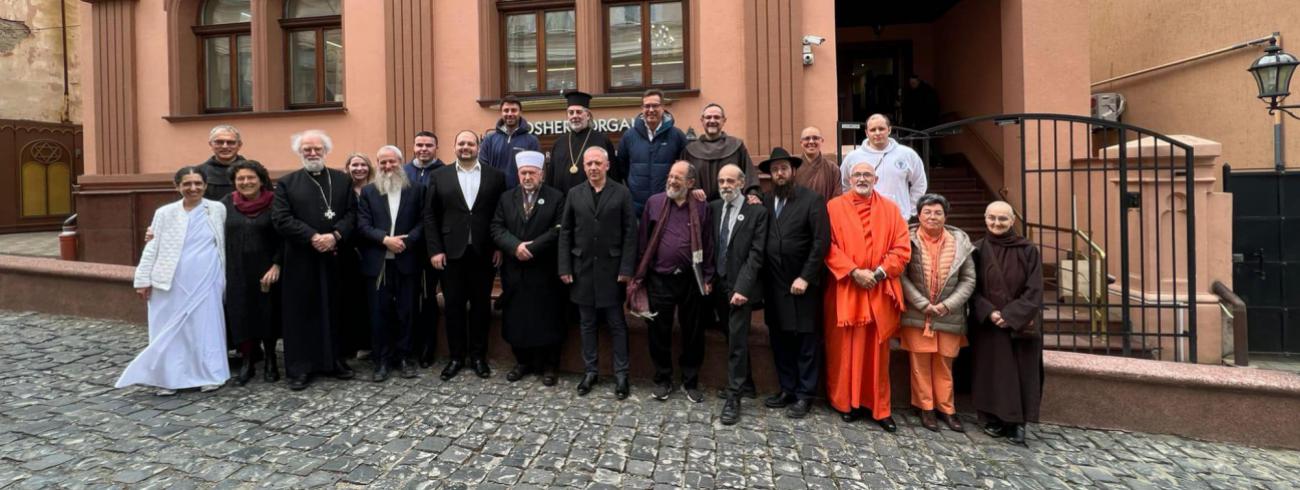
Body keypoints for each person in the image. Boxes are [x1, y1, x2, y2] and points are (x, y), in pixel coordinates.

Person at [118, 167, 228, 395]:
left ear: (205, 185)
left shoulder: (217, 209)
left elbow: (225, 239)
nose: (193, 188)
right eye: (187, 184)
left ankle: (209, 374)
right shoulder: (164, 213)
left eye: (198, 183)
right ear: (177, 187)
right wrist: (142, 279)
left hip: (207, 277)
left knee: (206, 327)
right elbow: (153, 246)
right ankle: (168, 378)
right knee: (167, 329)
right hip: (169, 280)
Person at [824, 160, 912, 433]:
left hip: (878, 290)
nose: (862, 178)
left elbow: (902, 247)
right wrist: (852, 271)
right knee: (845, 350)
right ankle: (845, 403)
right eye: (857, 175)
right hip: (846, 289)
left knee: (877, 355)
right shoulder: (833, 207)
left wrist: (881, 272)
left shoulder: (891, 208)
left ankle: (878, 407)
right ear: (849, 179)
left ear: (875, 179)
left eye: (867, 175)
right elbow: (826, 245)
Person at [272, 129, 358, 391]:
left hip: (335, 256)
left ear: (325, 151)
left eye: (317, 149)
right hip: (301, 259)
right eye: (306, 149)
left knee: (335, 307)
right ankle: (300, 368)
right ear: (300, 152)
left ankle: (335, 361)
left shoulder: (342, 180)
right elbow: (281, 218)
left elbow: (353, 214)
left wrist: (335, 235)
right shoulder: (287, 183)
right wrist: (312, 237)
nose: (312, 153)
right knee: (302, 312)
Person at [424, 130, 507, 381]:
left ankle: (479, 357)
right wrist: (435, 249)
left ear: (478, 147)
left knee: (481, 306)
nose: (465, 147)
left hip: (484, 252)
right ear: (454, 146)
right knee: (453, 307)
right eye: (461, 143)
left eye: (470, 143)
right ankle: (456, 357)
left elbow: (501, 215)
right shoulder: (439, 176)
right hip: (451, 254)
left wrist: (500, 246)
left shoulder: (496, 176)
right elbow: (430, 215)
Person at [559, 146, 636, 400]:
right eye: (589, 163)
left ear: (607, 165)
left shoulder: (622, 192)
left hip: (612, 271)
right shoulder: (574, 193)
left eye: (597, 163)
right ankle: (590, 371)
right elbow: (566, 232)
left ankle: (621, 374)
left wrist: (627, 268)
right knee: (587, 324)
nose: (593, 168)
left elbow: (630, 234)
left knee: (616, 324)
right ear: (583, 167)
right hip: (582, 270)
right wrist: (565, 267)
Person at [760, 147, 829, 419]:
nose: (779, 173)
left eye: (784, 168)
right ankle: (787, 388)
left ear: (793, 171)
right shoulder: (765, 201)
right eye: (775, 169)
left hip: (802, 284)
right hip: (774, 285)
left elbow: (820, 242)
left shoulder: (812, 200)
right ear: (770, 174)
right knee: (780, 340)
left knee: (805, 342)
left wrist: (806, 277)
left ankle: (805, 394)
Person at [637, 161, 714, 403]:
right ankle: (662, 379)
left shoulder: (701, 206)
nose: (671, 181)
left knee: (693, 332)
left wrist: (709, 276)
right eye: (670, 176)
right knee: (658, 331)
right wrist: (641, 275)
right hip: (660, 279)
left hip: (692, 279)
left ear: (691, 183)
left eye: (677, 178)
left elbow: (709, 242)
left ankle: (690, 381)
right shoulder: (655, 202)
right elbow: (643, 242)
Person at [969, 200, 1044, 446]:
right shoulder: (978, 249)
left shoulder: (1028, 250)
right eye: (992, 218)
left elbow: (1035, 290)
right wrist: (990, 312)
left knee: (1022, 374)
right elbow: (972, 288)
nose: (996, 223)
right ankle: (995, 418)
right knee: (994, 373)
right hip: (990, 324)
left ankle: (1018, 423)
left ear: (1012, 221)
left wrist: (1010, 315)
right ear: (985, 218)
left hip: (1019, 325)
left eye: (1002, 219)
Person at [899, 194, 975, 433]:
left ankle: (947, 409)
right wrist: (922, 303)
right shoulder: (907, 239)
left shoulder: (960, 242)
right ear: (919, 215)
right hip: (917, 313)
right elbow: (900, 275)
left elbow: (968, 279)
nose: (932, 217)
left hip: (948, 315)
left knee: (944, 362)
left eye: (937, 212)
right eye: (927, 212)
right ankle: (926, 408)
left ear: (945, 216)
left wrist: (948, 305)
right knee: (919, 363)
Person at [491, 151, 567, 386]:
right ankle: (522, 362)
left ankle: (550, 365)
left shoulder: (556, 197)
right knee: (517, 319)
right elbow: (496, 227)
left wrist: (532, 247)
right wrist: (515, 247)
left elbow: (558, 229)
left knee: (547, 318)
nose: (527, 177)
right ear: (518, 174)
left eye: (531, 173)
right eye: (523, 173)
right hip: (515, 271)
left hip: (544, 269)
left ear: (541, 174)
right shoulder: (506, 198)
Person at [357, 145, 426, 382]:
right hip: (379, 264)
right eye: (382, 162)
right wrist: (385, 240)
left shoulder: (416, 190)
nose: (387, 167)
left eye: (392, 162)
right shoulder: (368, 191)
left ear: (401, 162)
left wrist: (407, 241)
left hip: (407, 261)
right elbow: (362, 225)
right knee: (379, 314)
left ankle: (406, 357)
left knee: (407, 312)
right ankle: (382, 361)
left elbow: (423, 221)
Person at [711, 163, 768, 425]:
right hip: (718, 285)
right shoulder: (712, 208)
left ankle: (733, 397)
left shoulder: (756, 212)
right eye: (721, 181)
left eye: (730, 181)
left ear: (742, 183)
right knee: (729, 335)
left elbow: (756, 255)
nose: (725, 185)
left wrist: (743, 288)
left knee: (737, 340)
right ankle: (747, 384)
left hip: (740, 288)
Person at [220, 160, 282, 386]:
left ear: (261, 179)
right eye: (241, 179)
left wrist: (277, 264)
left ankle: (270, 359)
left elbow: (285, 236)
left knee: (268, 314)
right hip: (236, 269)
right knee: (241, 313)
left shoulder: (276, 202)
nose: (246, 182)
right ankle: (247, 360)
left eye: (251, 178)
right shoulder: (225, 204)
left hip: (268, 269)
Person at [402, 130, 444, 369]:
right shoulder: (403, 172)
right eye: (419, 145)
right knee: (407, 298)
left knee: (428, 299)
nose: (423, 149)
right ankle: (408, 345)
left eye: (428, 145)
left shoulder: (445, 172)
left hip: (431, 247)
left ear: (436, 148)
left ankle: (427, 347)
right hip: (406, 246)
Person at [840, 114, 929, 221]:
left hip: (898, 219)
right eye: (873, 130)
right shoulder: (853, 157)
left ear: (889, 130)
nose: (877, 133)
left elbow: (919, 183)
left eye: (881, 129)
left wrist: (911, 210)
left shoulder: (907, 154)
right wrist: (853, 208)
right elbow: (843, 185)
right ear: (866, 133)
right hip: (864, 219)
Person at [617, 89, 689, 215]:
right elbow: (621, 167)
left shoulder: (676, 135)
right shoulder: (629, 136)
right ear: (642, 108)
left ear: (663, 107)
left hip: (667, 203)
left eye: (655, 105)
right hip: (637, 206)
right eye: (647, 106)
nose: (651, 110)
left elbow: (687, 166)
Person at [680, 103, 759, 201]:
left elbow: (749, 175)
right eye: (708, 117)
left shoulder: (736, 146)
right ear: (702, 120)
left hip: (732, 206)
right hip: (700, 207)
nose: (712, 120)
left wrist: (753, 194)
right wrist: (692, 190)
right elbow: (683, 180)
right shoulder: (690, 150)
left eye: (716, 117)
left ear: (724, 120)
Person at [340, 153, 375, 360]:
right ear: (348, 167)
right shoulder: (342, 191)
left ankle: (367, 342)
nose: (359, 168)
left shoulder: (375, 189)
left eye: (363, 165)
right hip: (348, 251)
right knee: (350, 299)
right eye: (355, 165)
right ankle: (349, 344)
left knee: (368, 299)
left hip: (372, 250)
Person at [547, 90, 617, 191]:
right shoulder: (559, 143)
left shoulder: (602, 140)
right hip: (563, 202)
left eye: (579, 112)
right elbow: (551, 177)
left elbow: (613, 175)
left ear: (588, 115)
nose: (575, 116)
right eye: (571, 113)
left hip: (593, 203)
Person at [480, 96, 540, 189]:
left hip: (521, 195)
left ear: (520, 112)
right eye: (506, 110)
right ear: (501, 113)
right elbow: (483, 169)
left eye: (514, 110)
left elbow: (537, 170)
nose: (510, 113)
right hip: (494, 194)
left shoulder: (532, 141)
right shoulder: (489, 139)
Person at [197, 124, 249, 200]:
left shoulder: (254, 171)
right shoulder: (198, 172)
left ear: (239, 145)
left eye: (231, 142)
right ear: (211, 144)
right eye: (219, 142)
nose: (225, 146)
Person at [793, 126, 842, 201]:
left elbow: (837, 199)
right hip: (798, 212)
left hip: (824, 211)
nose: (811, 141)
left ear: (821, 141)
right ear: (801, 143)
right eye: (807, 138)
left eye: (815, 138)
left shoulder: (832, 168)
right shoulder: (793, 167)